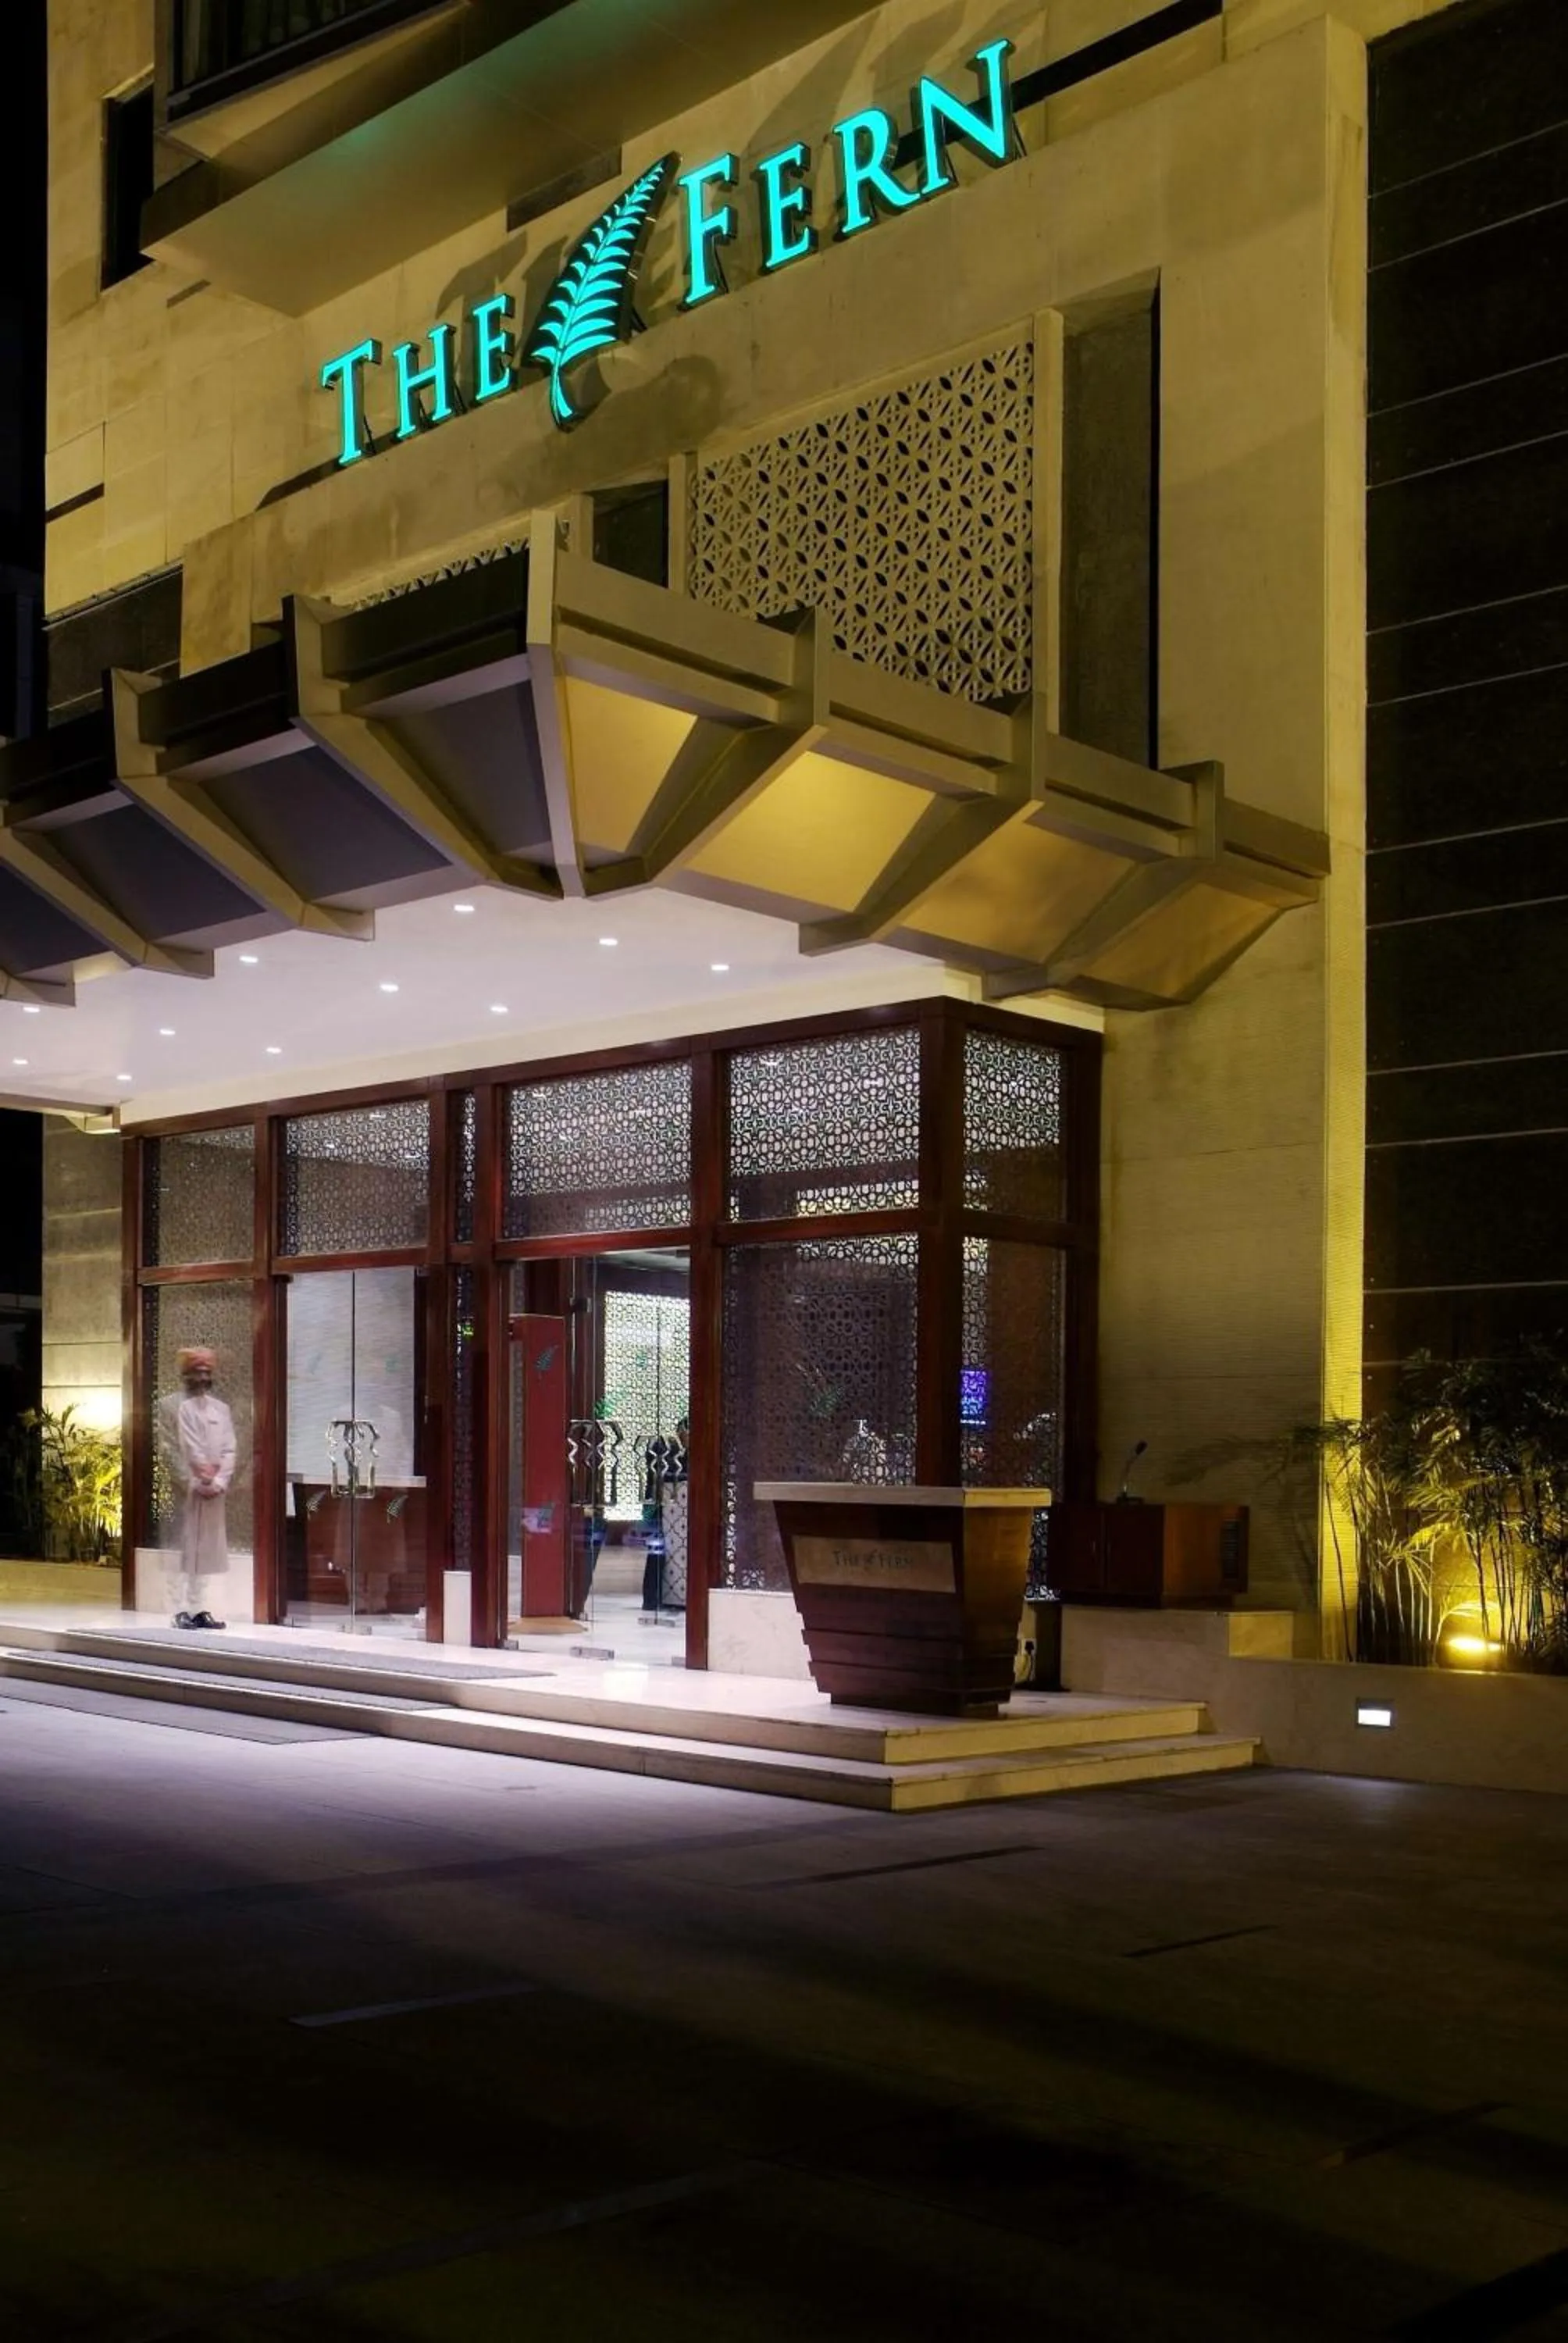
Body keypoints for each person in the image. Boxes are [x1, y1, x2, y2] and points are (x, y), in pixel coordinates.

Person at [156, 1346, 236, 1631]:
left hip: (212, 1492)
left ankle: (200, 1608)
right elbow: (167, 1450)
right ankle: (178, 1611)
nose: (202, 1378)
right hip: (183, 1493)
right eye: (196, 1372)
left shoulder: (220, 1409)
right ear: (185, 1374)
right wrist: (192, 1481)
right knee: (182, 1550)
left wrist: (218, 1482)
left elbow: (229, 1449)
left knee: (206, 1552)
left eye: (206, 1372)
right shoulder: (168, 1405)